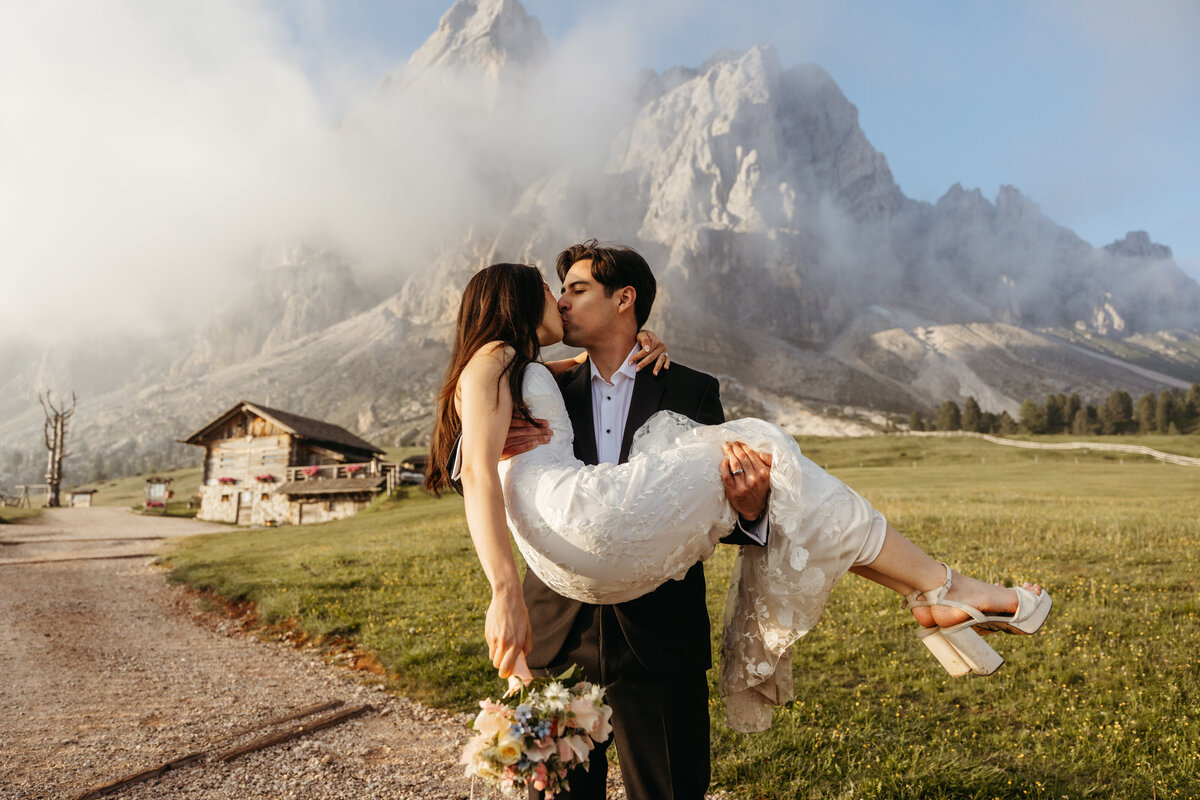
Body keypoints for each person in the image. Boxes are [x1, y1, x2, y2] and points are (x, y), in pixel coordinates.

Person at [428, 252, 1052, 799]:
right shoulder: (505, 362)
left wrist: (750, 507)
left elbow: (722, 513)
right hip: (558, 617)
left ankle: (935, 593)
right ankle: (941, 590)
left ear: (626, 301)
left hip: (654, 631)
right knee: (775, 448)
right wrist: (503, 594)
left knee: (776, 480)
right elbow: (478, 472)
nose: (560, 299)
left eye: (576, 289)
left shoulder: (670, 385)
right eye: (551, 288)